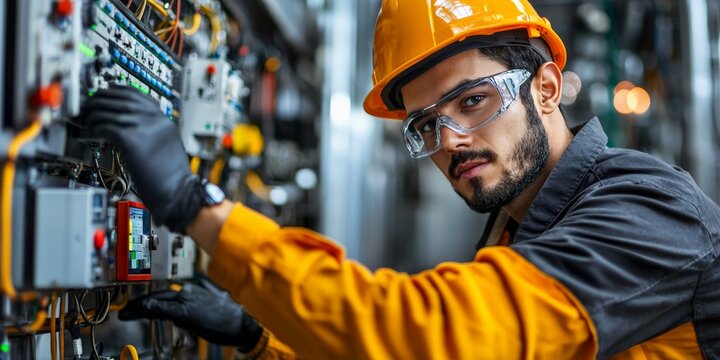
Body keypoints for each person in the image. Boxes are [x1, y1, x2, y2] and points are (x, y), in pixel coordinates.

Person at [84, 0, 720, 358]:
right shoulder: (517, 229)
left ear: (546, 89)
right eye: (426, 124)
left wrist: (200, 208)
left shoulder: (646, 210)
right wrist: (256, 338)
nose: (450, 141)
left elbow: (425, 338)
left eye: (471, 101)